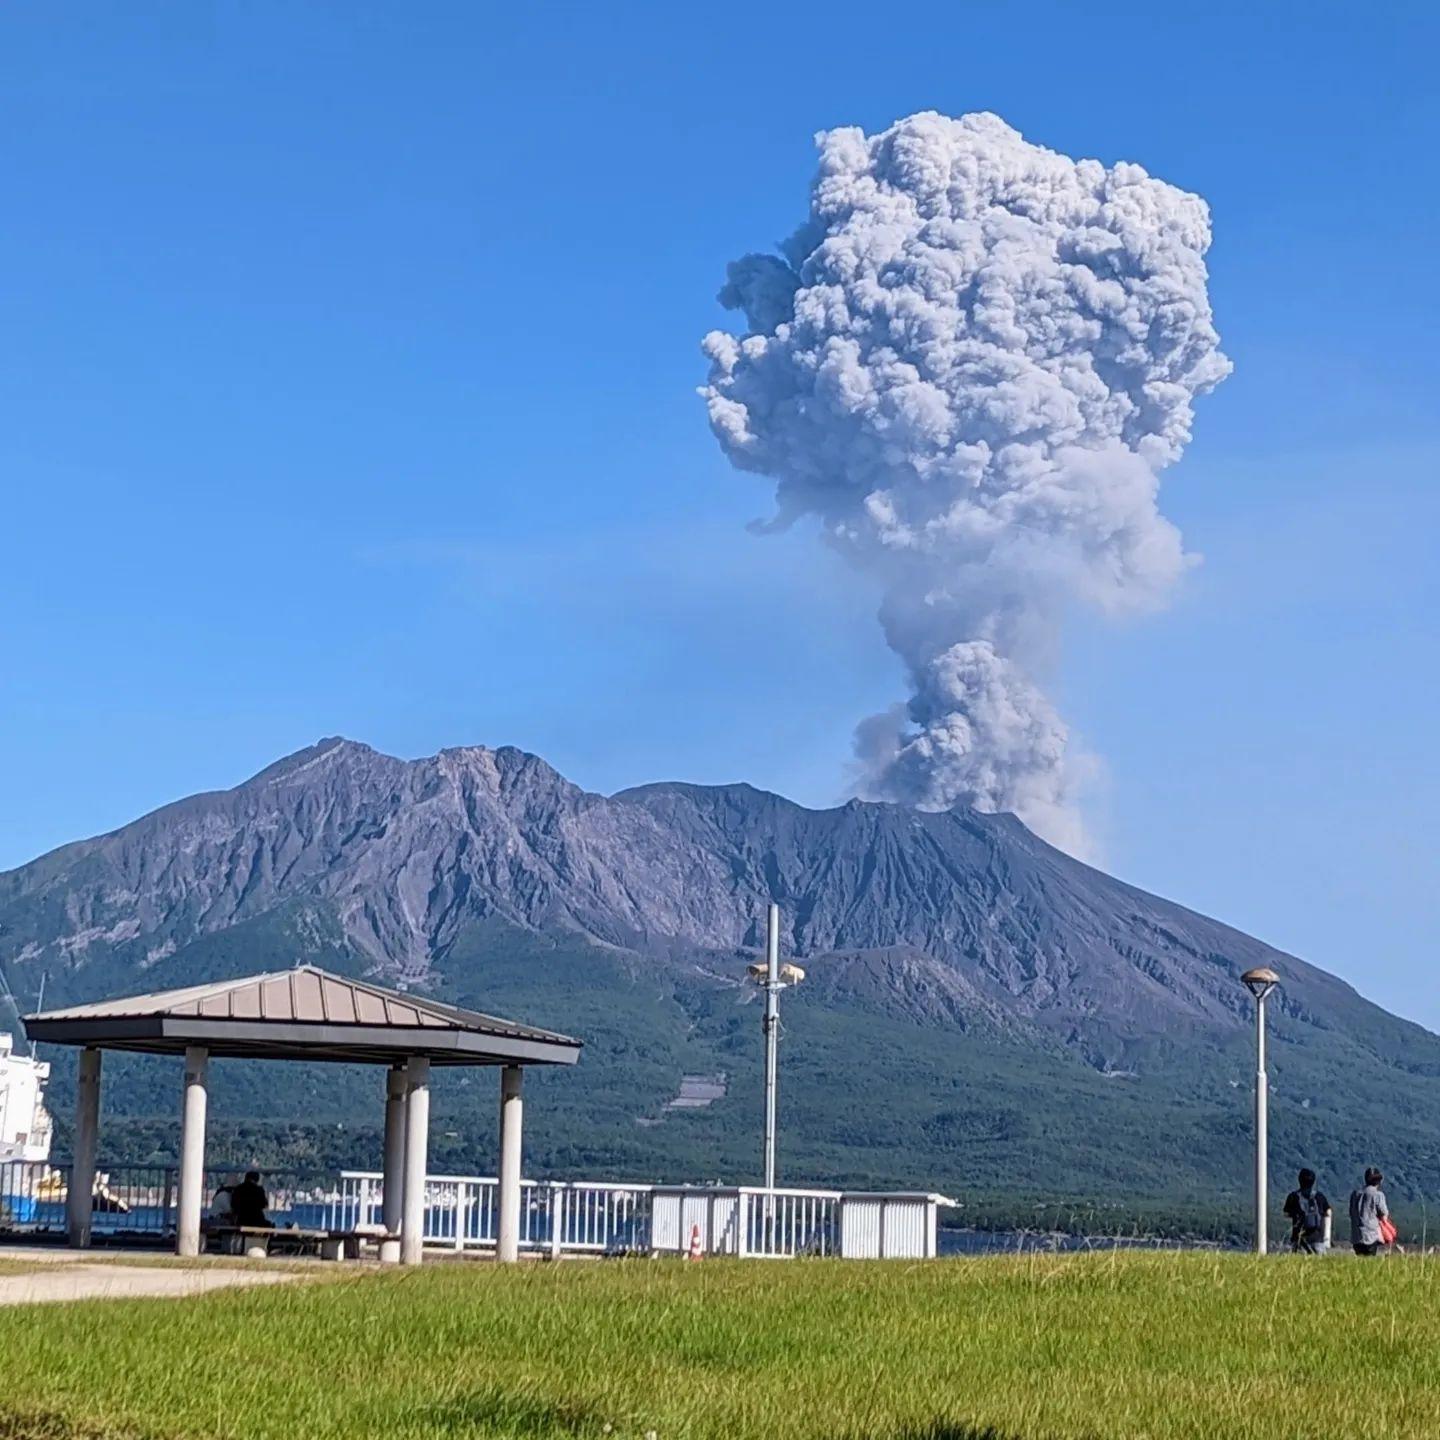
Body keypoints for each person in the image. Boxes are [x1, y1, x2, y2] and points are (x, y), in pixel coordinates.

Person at [1283, 1169, 1331, 1253]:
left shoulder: (1293, 1196)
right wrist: (1326, 1237)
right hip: (1317, 1238)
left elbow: (1286, 1214)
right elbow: (1328, 1212)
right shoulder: (1319, 1196)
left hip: (1299, 1238)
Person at [1349, 1167, 1390, 1256]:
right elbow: (1383, 1216)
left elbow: (1351, 1213)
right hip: (1371, 1236)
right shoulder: (1378, 1195)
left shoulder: (1355, 1194)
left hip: (1356, 1236)